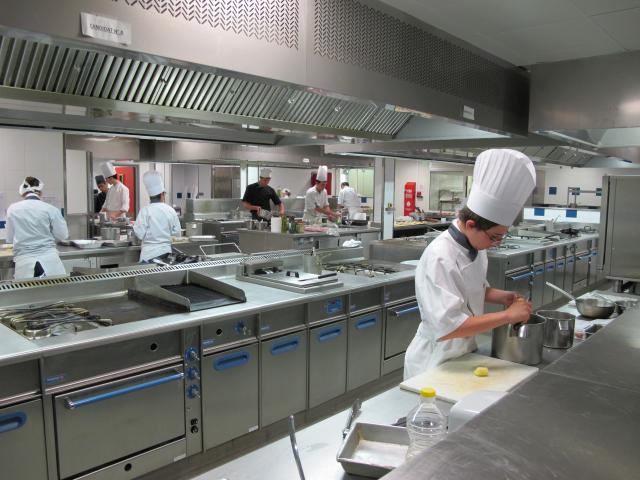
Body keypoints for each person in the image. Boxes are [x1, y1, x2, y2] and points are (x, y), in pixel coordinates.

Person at [404, 149, 536, 379]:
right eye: (494, 237)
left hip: (463, 352)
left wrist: (501, 296)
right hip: (435, 358)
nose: (496, 243)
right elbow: (449, 327)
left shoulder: (475, 246)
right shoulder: (441, 256)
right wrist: (508, 316)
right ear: (471, 224)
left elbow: (472, 288)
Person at [6, 177, 69, 279]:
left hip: (24, 263)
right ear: (40, 192)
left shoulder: (12, 209)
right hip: (50, 261)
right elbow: (63, 235)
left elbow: (9, 238)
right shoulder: (51, 209)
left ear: (22, 192)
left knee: (27, 294)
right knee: (55, 294)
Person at [133, 171, 182, 263]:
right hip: (166, 255)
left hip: (148, 256)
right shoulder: (170, 210)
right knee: (164, 277)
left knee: (147, 277)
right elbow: (177, 234)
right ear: (162, 194)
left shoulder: (145, 210)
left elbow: (139, 234)